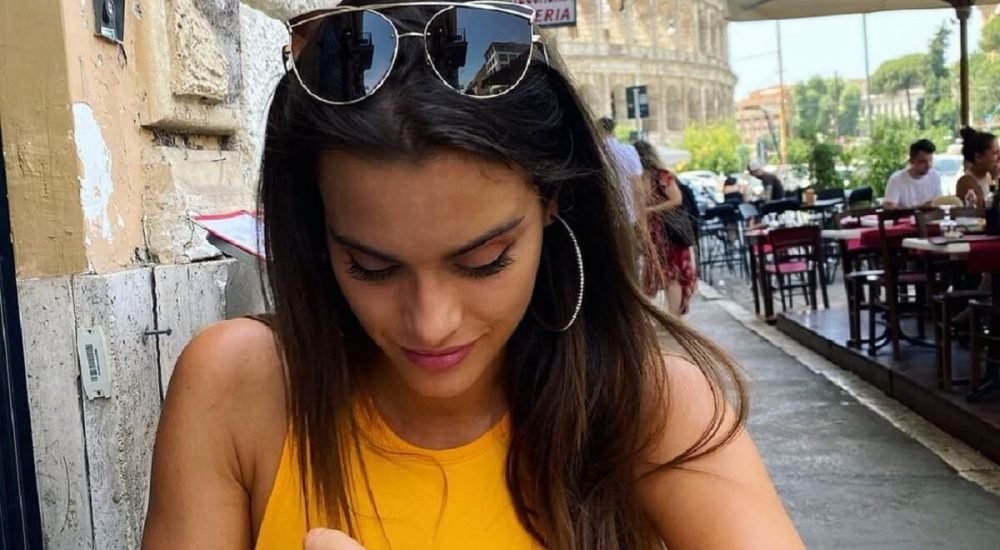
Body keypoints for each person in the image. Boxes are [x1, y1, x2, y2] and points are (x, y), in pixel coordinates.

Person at [141, 2, 804, 549]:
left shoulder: (651, 407)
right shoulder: (238, 389)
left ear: (552, 201)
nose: (431, 323)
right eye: (371, 267)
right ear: (317, 230)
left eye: (484, 261)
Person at [634, 141, 698, 316]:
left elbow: (676, 200)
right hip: (661, 232)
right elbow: (676, 199)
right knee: (670, 275)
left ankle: (671, 316)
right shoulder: (657, 175)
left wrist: (650, 210)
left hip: (665, 231)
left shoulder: (650, 177)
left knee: (669, 274)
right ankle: (672, 316)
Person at [598, 117, 644, 228]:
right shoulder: (629, 150)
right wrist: (640, 215)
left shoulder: (596, 153)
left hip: (604, 216)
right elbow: (638, 186)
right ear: (613, 130)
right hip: (629, 216)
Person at [882, 139, 941, 209]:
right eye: (923, 162)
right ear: (911, 161)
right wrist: (919, 208)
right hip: (905, 216)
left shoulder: (935, 176)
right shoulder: (897, 179)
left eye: (930, 160)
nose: (928, 165)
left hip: (930, 216)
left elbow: (938, 203)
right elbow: (889, 206)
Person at [955, 127, 999, 210]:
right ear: (979, 157)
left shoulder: (988, 176)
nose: (999, 157)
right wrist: (995, 179)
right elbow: (983, 210)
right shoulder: (966, 181)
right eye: (995, 153)